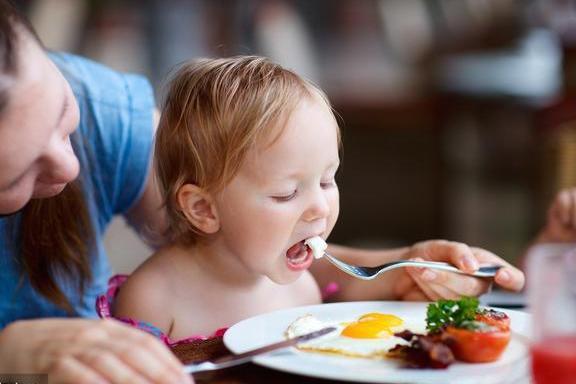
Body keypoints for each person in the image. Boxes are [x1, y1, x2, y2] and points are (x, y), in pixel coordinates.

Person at [0, 1, 523, 381]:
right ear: (200, 208)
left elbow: (255, 260)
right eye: (18, 176)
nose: (70, 167)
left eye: (65, 118)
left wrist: (398, 268)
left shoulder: (107, 113)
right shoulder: (155, 299)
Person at [102, 56, 525, 342]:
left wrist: (426, 269)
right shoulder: (154, 300)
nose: (320, 208)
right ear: (204, 209)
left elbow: (368, 287)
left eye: (327, 181)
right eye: (287, 192)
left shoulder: (303, 284)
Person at [0, 2, 192, 383]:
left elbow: (243, 238)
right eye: (16, 177)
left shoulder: (100, 106)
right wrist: (11, 353)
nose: (70, 168)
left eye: (61, 111)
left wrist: (345, 272)